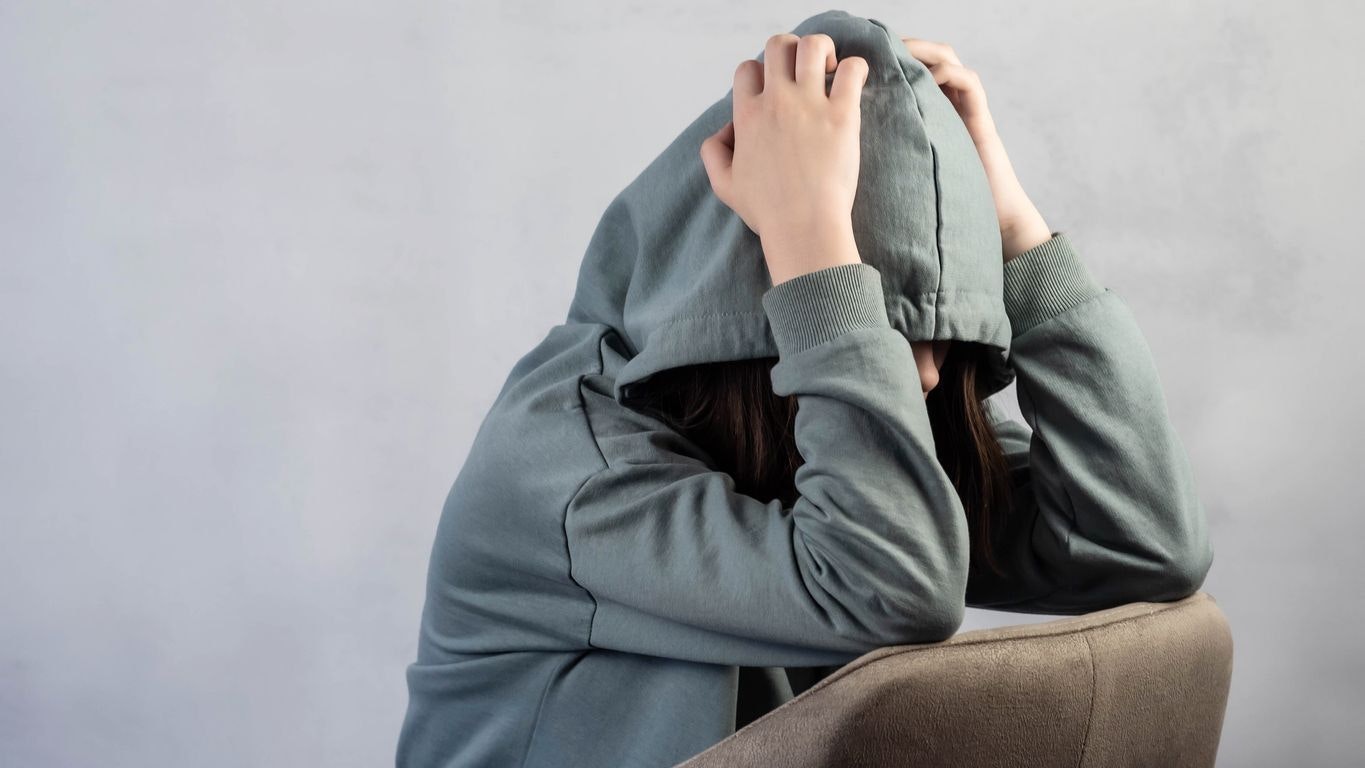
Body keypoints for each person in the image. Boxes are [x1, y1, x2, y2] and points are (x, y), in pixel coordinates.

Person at [396, 10, 1214, 767]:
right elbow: (890, 592)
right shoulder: (560, 477)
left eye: (941, 335)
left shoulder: (835, 428)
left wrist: (1008, 232)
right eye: (881, 329)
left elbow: (1140, 548)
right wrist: (809, 245)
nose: (924, 376)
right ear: (758, 316)